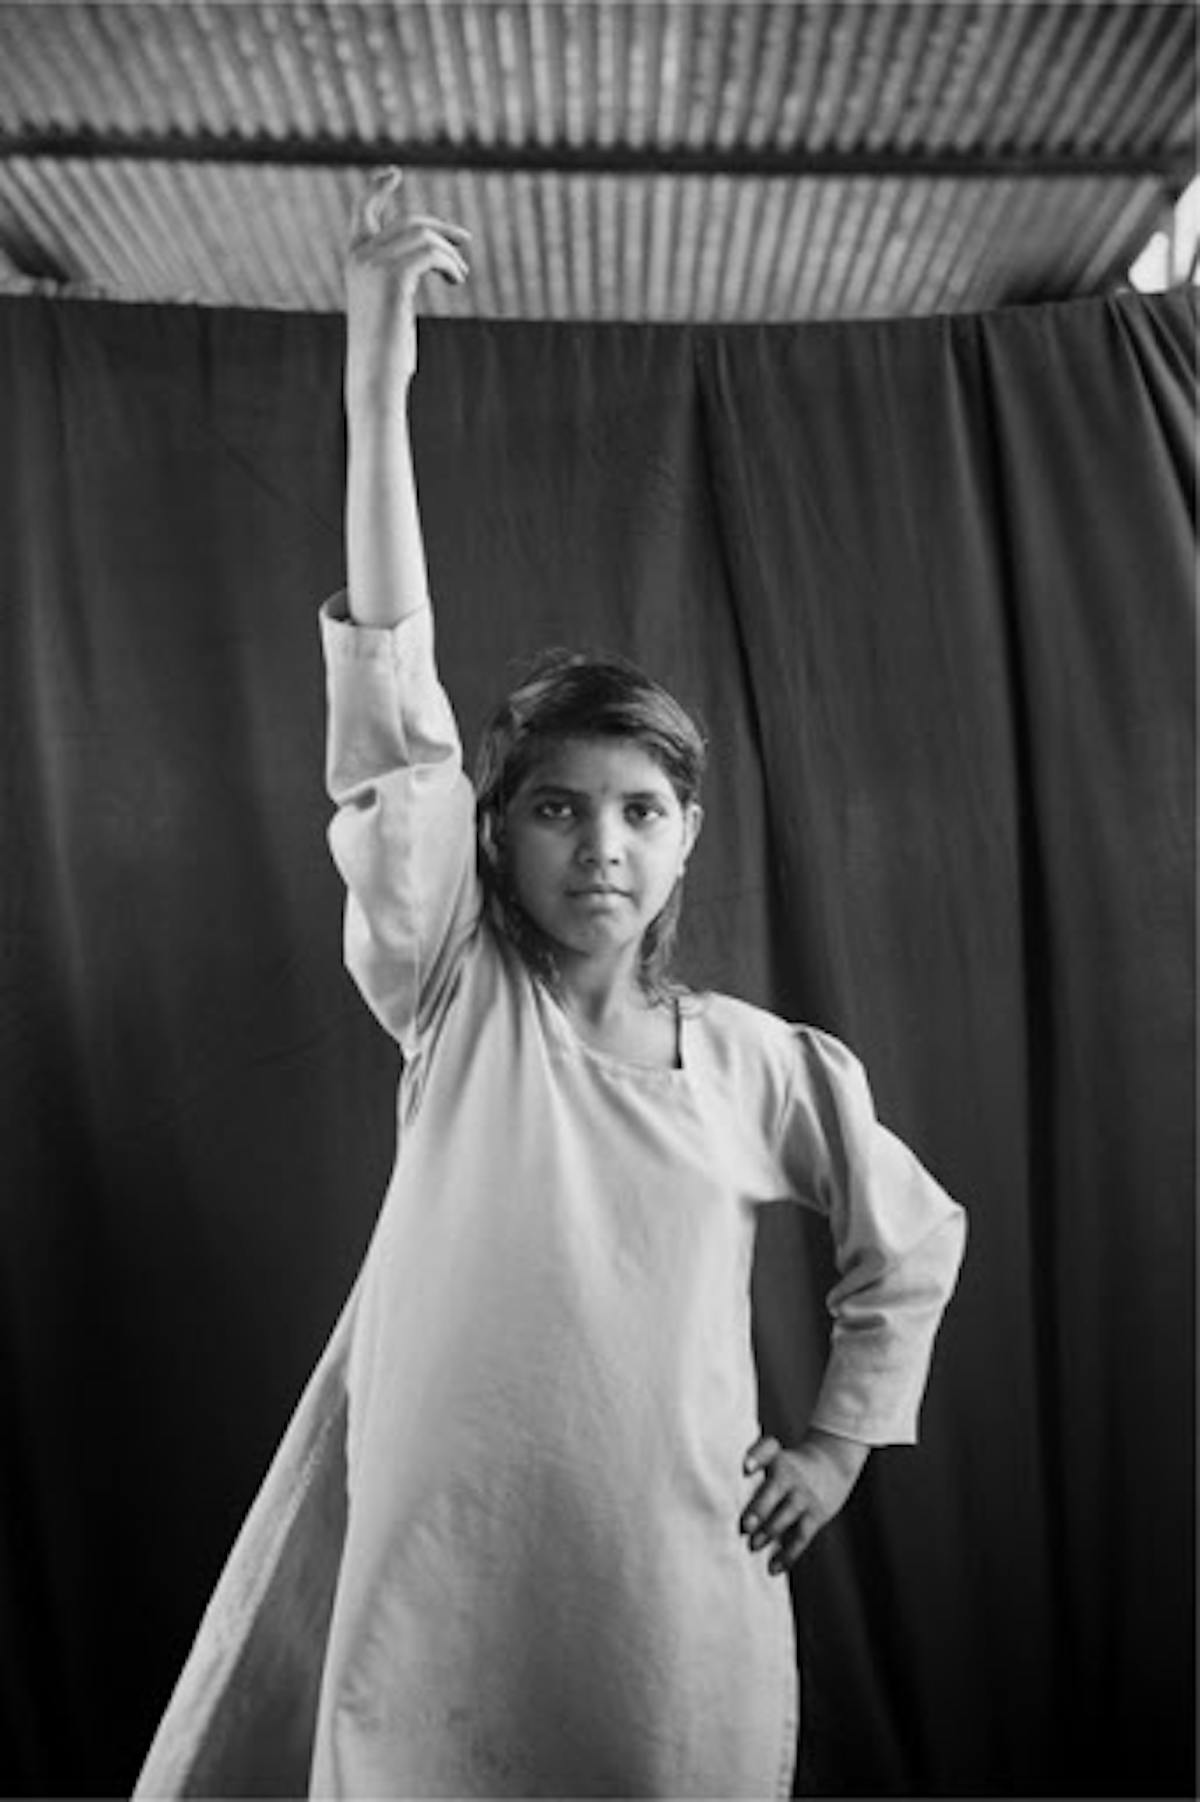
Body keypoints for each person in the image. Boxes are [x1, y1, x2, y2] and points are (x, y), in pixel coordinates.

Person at [134, 170, 966, 1801]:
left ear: (687, 837)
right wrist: (377, 377)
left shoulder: (757, 1067)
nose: (603, 844)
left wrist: (834, 1445)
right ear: (495, 836)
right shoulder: (460, 999)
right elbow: (394, 709)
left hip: (665, 1594)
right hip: (439, 1578)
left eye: (641, 811)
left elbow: (910, 1240)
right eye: (559, 809)